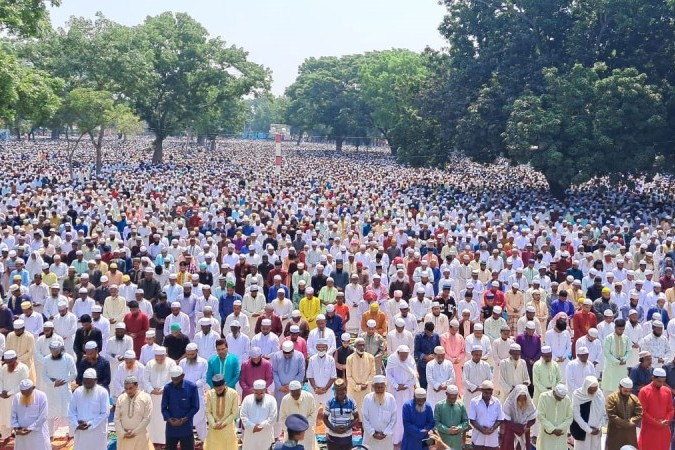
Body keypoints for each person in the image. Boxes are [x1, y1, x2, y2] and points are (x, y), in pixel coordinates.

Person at [42, 340, 77, 438]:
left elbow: (74, 374)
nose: (55, 353)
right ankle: (50, 435)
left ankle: (72, 434)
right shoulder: (46, 359)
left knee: (68, 412)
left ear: (61, 349)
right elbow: (44, 375)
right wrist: (53, 383)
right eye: (52, 350)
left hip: (64, 389)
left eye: (56, 351)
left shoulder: (68, 358)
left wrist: (63, 381)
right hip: (51, 389)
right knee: (50, 413)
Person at [67, 368, 110, 450]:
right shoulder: (77, 392)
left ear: (95, 380)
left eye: (89, 381)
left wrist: (90, 424)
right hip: (81, 431)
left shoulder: (102, 392)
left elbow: (105, 413)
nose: (87, 384)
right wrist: (76, 424)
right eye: (85, 381)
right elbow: (71, 411)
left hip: (97, 431)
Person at [142, 346, 176, 445]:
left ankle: (164, 441)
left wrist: (162, 389)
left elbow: (173, 379)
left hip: (166, 395)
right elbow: (145, 379)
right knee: (152, 420)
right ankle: (152, 442)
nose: (159, 360)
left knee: (163, 420)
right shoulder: (150, 363)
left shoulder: (171, 363)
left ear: (165, 355)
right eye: (157, 358)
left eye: (162, 358)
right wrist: (151, 390)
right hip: (152, 396)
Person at [161, 365, 199, 450]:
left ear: (182, 376)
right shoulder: (167, 388)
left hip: (186, 427)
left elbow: (195, 407)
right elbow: (164, 408)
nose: (175, 382)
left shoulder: (192, 387)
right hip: (171, 427)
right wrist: (169, 420)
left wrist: (184, 420)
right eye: (173, 379)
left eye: (177, 379)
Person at [386, 344, 418, 445]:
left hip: (407, 392)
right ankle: (395, 439)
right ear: (398, 353)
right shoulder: (392, 359)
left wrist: (406, 385)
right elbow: (388, 374)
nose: (404, 358)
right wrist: (396, 385)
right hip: (395, 392)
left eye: (406, 355)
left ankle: (406, 439)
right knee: (396, 415)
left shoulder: (411, 360)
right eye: (402, 355)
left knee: (406, 415)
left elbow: (414, 376)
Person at [638, 367, 674, 450]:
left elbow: (671, 409)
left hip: (664, 429)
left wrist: (666, 420)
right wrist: (657, 423)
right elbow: (642, 412)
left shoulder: (667, 391)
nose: (661, 384)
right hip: (649, 429)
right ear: (653, 378)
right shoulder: (644, 391)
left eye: (663, 382)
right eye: (659, 381)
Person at [114, 375, 154, 450]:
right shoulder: (121, 398)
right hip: (124, 437)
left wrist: (134, 432)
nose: (128, 391)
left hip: (139, 437)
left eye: (130, 388)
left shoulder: (146, 398)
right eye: (126, 389)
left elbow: (147, 418)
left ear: (137, 385)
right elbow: (116, 419)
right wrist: (123, 433)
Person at [10, 379, 51, 450]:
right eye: (23, 393)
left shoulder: (41, 396)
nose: (25, 395)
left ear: (33, 388)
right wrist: (16, 428)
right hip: (21, 433)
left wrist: (30, 428)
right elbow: (13, 415)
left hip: (37, 433)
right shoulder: (17, 397)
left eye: (27, 393)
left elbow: (43, 416)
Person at [0, 349, 29, 444]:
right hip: (4, 398)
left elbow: (23, 384)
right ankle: (6, 436)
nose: (9, 364)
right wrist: (1, 391)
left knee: (17, 418)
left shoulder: (23, 368)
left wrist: (9, 393)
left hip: (17, 397)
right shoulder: (4, 367)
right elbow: (0, 380)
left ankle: (19, 437)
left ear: (16, 359)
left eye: (11, 361)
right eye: (7, 362)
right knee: (4, 418)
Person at [279, 380, 318, 450]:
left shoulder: (309, 397)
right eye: (293, 395)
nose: (295, 396)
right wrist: (291, 429)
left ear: (301, 390)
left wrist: (303, 427)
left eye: (298, 394)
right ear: (290, 391)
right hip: (290, 434)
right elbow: (282, 418)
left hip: (306, 432)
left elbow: (313, 414)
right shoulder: (285, 400)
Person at [203, 374, 239, 450]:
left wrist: (223, 423)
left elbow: (234, 412)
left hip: (228, 428)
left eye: (220, 389)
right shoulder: (210, 393)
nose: (218, 392)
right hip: (214, 428)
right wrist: (213, 424)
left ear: (225, 384)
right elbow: (208, 411)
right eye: (216, 389)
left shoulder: (233, 393)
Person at [361, 375, 397, 450]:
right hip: (370, 438)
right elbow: (364, 419)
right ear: (373, 387)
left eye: (381, 387)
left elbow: (394, 419)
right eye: (377, 387)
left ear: (385, 387)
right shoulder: (367, 398)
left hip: (386, 439)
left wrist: (386, 433)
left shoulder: (391, 399)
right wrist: (372, 433)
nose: (380, 390)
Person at [240, 379, 278, 450]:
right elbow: (243, 415)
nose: (259, 395)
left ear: (265, 390)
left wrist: (261, 426)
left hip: (265, 434)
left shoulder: (271, 399)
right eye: (256, 393)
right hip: (251, 434)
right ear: (253, 390)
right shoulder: (247, 399)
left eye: (261, 393)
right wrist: (252, 426)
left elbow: (273, 417)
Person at [605, 377, 642, 450]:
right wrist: (626, 424)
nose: (627, 393)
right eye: (625, 391)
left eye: (629, 391)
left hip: (629, 433)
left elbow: (639, 413)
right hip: (615, 431)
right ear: (619, 388)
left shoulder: (634, 398)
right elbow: (611, 415)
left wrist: (632, 421)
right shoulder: (612, 398)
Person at [570, 375, 606, 450]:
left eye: (595, 389)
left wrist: (598, 427)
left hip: (596, 430)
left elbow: (603, 413)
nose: (593, 392)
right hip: (582, 430)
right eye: (591, 390)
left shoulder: (599, 394)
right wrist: (588, 429)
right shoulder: (577, 395)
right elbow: (576, 415)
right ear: (586, 387)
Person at [323, 379, 358, 450]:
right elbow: (325, 418)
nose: (340, 396)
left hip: (347, 438)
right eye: (337, 393)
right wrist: (333, 429)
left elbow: (356, 418)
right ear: (335, 391)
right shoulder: (330, 402)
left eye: (342, 393)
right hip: (333, 437)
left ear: (346, 390)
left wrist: (347, 428)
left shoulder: (352, 402)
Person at [468, 380, 503, 450]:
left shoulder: (497, 402)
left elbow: (500, 419)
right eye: (486, 392)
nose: (488, 395)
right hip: (478, 438)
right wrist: (482, 430)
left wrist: (492, 429)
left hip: (492, 439)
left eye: (490, 393)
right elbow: (472, 419)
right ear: (481, 390)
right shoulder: (474, 402)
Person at [536, 384, 573, 450]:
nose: (560, 400)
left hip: (560, 433)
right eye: (558, 397)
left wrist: (558, 428)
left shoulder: (567, 399)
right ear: (553, 392)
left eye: (562, 398)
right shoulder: (544, 397)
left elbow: (569, 418)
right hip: (546, 433)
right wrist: (552, 429)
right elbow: (540, 416)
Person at [501, 384, 536, 450]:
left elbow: (533, 417)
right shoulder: (509, 404)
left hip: (525, 432)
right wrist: (520, 428)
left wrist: (527, 426)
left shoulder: (528, 403)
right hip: (511, 432)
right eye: (520, 397)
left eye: (524, 397)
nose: (522, 400)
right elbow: (506, 421)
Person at [433, 384, 469, 450]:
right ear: (446, 394)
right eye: (450, 398)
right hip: (443, 441)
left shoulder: (461, 405)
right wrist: (447, 430)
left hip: (457, 442)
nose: (452, 400)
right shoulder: (439, 405)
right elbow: (436, 423)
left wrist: (459, 428)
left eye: (454, 398)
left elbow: (466, 422)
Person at [345, 336, 375, 412]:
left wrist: (366, 384)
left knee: (366, 410)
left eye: (363, 345)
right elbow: (348, 376)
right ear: (355, 346)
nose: (362, 347)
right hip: (353, 389)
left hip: (366, 388)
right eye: (359, 345)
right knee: (353, 411)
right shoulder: (349, 359)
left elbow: (372, 373)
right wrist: (357, 387)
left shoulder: (370, 357)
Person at [602, 319, 631, 393]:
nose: (621, 331)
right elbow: (607, 353)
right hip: (611, 366)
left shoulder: (626, 338)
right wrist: (617, 361)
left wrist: (624, 359)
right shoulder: (609, 338)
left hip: (622, 366)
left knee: (621, 386)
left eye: (623, 329)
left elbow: (629, 351)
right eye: (619, 329)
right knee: (609, 388)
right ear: (615, 328)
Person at [462, 345, 492, 413]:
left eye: (480, 355)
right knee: (469, 412)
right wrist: (475, 388)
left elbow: (490, 379)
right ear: (472, 354)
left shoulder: (486, 365)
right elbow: (464, 380)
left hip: (482, 393)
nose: (478, 356)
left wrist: (482, 388)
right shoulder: (467, 365)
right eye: (476, 354)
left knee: (481, 412)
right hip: (470, 393)